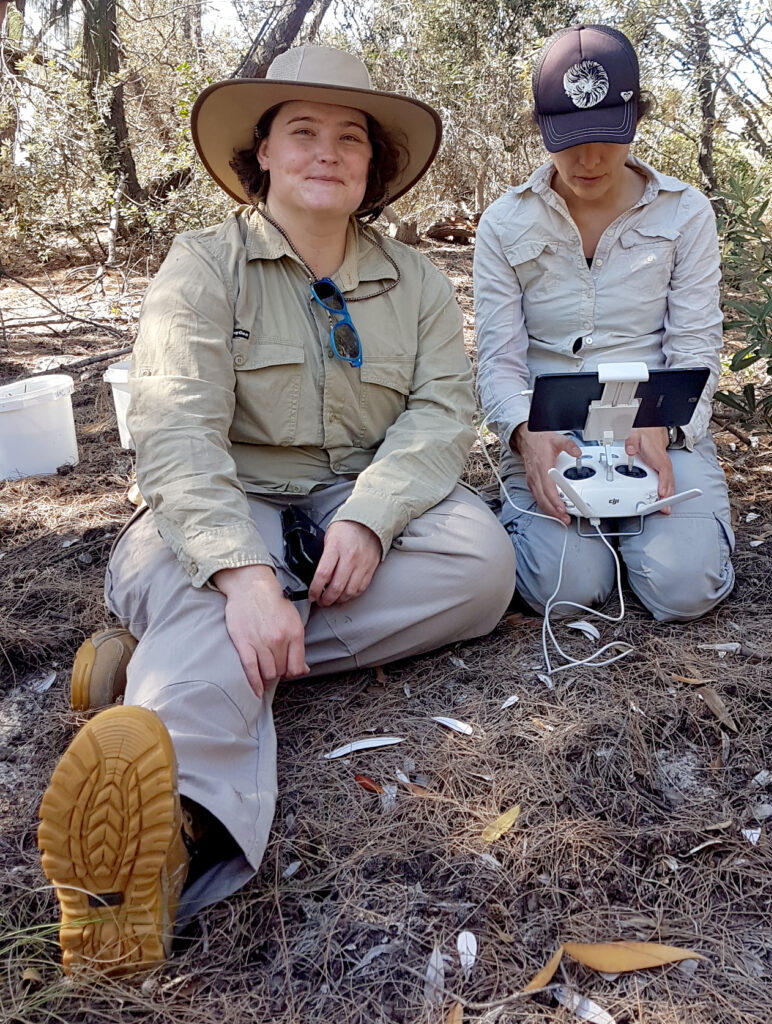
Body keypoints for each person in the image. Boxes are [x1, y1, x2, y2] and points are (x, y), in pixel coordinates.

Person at [37, 45, 515, 975]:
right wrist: (244, 573)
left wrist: (371, 517)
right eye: (302, 131)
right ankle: (170, 839)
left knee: (482, 568)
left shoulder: (414, 281)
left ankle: (171, 663)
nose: (326, 152)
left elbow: (440, 412)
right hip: (225, 505)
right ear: (261, 151)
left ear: (373, 166)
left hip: (353, 499)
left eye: (350, 138)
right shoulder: (202, 267)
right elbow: (175, 436)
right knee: (206, 591)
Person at [474, 24, 734, 622]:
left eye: (606, 138)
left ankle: (639, 536)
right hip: (550, 430)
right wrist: (524, 436)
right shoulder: (504, 224)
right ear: (543, 127)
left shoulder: (685, 212)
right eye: (569, 139)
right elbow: (499, 360)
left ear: (635, 120)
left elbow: (695, 348)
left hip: (653, 422)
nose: (589, 160)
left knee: (684, 586)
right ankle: (585, 537)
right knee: (562, 590)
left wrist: (665, 432)